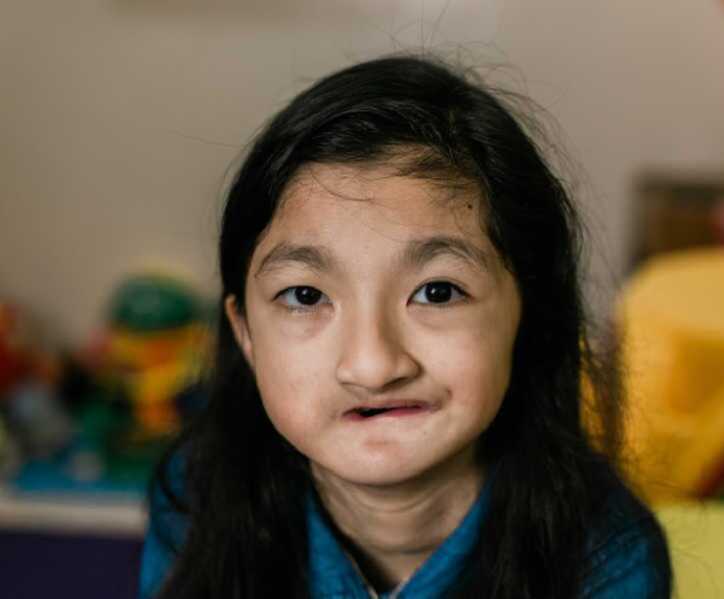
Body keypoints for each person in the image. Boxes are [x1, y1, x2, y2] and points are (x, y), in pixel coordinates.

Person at [139, 54, 671, 599]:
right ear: (246, 334)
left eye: (437, 292)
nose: (373, 365)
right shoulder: (195, 502)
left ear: (528, 314)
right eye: (305, 295)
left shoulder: (606, 558)